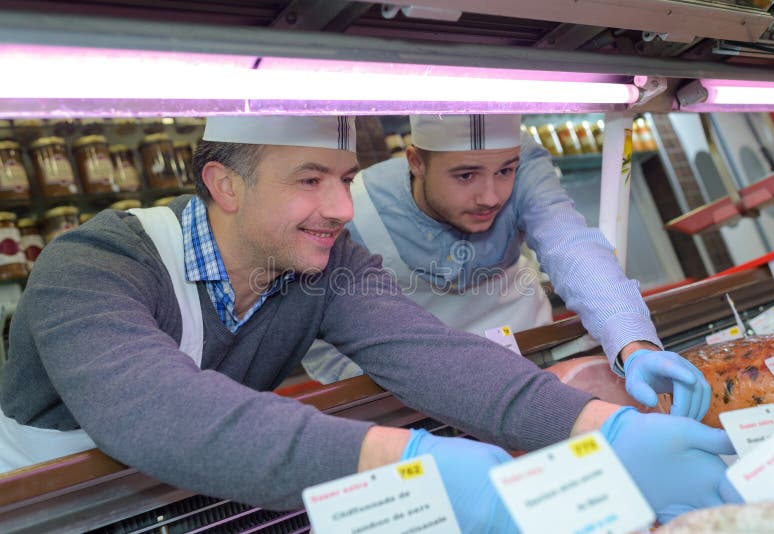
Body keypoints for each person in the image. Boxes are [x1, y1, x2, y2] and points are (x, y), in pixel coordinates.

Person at [0, 116, 735, 531]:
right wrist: (412, 459)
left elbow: (432, 354)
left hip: (195, 499)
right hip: (47, 511)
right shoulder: (94, 264)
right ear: (223, 184)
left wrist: (605, 427)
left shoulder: (323, 262)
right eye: (310, 180)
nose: (343, 208)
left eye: (346, 179)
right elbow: (161, 412)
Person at [302, 113, 710, 421]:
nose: (491, 196)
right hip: (414, 402)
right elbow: (329, 344)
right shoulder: (354, 209)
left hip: (539, 367)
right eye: (465, 176)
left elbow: (570, 244)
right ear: (416, 162)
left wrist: (634, 344)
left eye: (505, 171)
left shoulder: (525, 163)